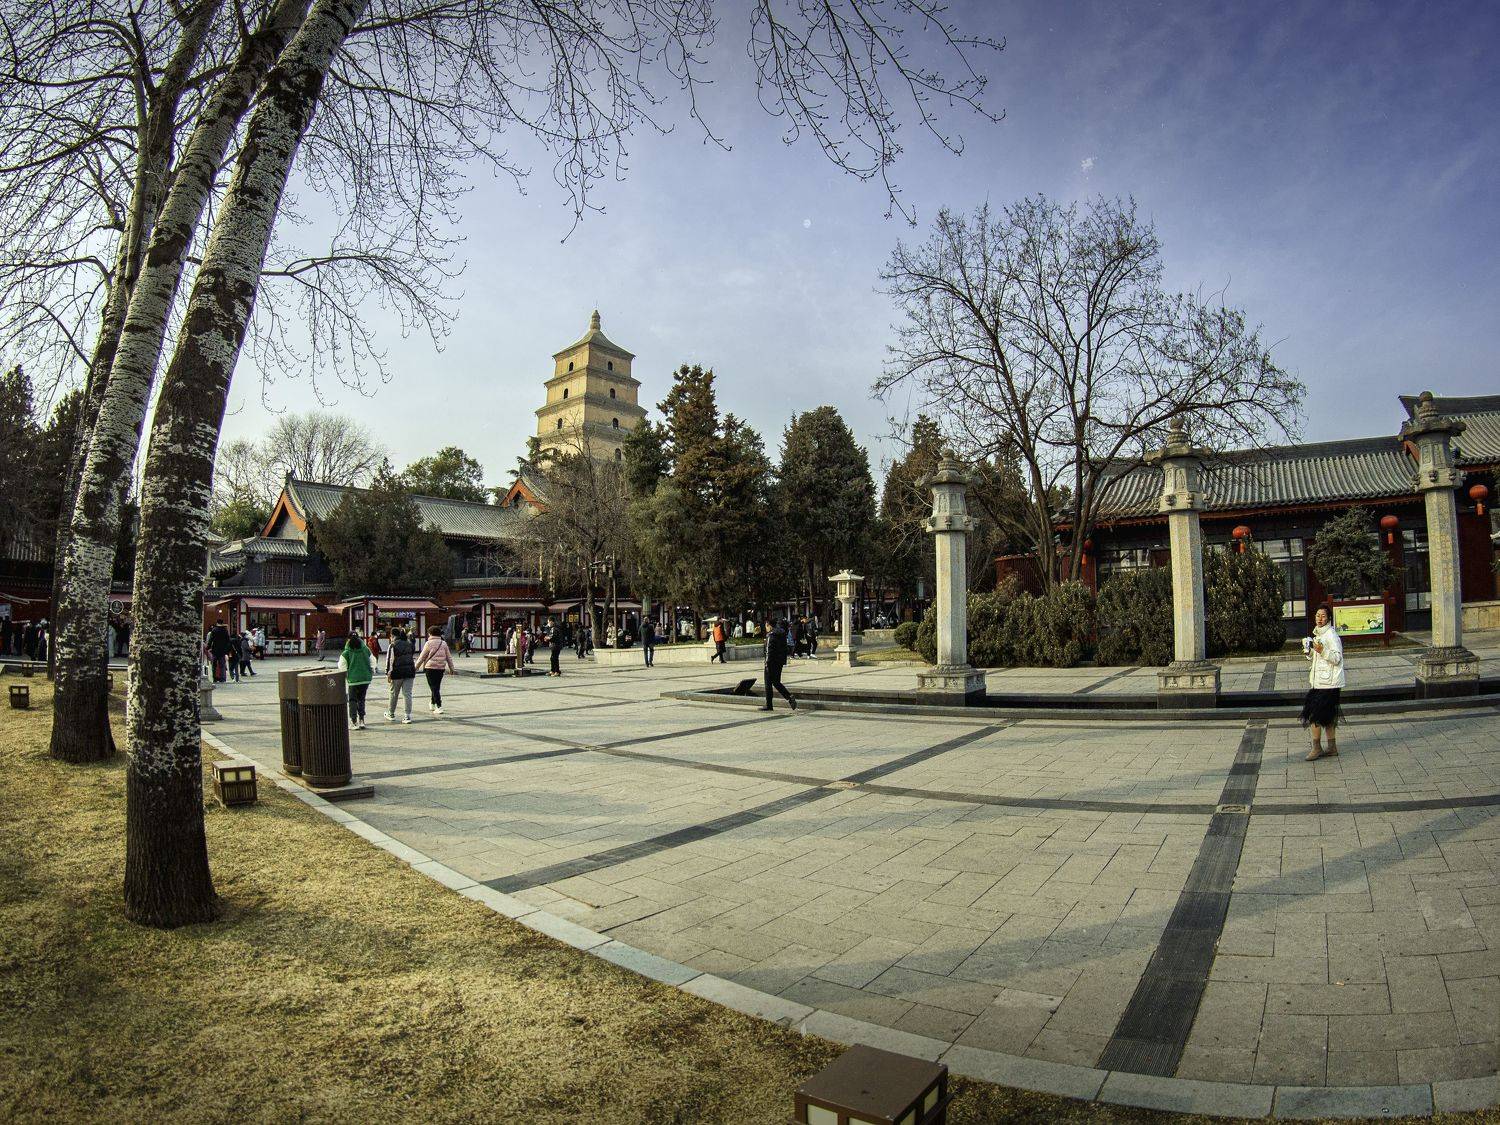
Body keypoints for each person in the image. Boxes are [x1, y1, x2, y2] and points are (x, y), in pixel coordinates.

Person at [1301, 604, 1345, 761]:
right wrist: (1309, 652)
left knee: (1314, 715)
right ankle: (1332, 747)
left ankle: (1317, 747)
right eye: (1317, 615)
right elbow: (1317, 657)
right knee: (1328, 716)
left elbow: (1337, 658)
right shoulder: (1318, 634)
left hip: (1329, 683)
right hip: (1319, 682)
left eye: (1323, 616)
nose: (1320, 619)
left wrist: (1322, 651)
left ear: (1329, 619)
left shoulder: (1331, 636)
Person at [415, 625, 457, 714]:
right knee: (436, 686)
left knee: (434, 687)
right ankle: (432, 703)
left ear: (430, 634)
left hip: (430, 668)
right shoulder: (443, 643)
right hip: (441, 668)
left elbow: (422, 657)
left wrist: (416, 667)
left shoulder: (428, 643)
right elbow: (449, 657)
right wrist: (451, 668)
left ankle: (439, 706)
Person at [338, 633, 374, 729]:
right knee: (361, 699)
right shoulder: (366, 649)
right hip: (365, 679)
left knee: (353, 700)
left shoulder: (346, 653)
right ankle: (361, 720)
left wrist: (346, 674)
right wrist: (371, 671)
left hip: (353, 680)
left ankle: (354, 722)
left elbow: (342, 666)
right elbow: (373, 661)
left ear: (348, 640)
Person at [761, 618, 796, 711]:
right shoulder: (782, 633)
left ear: (769, 625)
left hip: (771, 662)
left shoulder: (770, 635)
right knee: (776, 682)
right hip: (779, 662)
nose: (765, 627)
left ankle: (769, 705)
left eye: (766, 625)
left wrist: (767, 663)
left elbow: (769, 650)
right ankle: (789, 697)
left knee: (768, 684)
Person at [384, 627, 417, 723]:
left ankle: (391, 713)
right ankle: (407, 716)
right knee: (407, 694)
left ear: (392, 636)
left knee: (394, 694)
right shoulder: (409, 644)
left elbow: (389, 660)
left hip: (397, 673)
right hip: (409, 672)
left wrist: (388, 673)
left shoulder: (393, 645)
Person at [207, 616, 235, 683]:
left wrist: (208, 647)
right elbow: (228, 641)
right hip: (222, 651)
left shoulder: (214, 630)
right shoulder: (225, 630)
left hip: (215, 650)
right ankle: (223, 678)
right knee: (222, 665)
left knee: (214, 665)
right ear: (222, 623)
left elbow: (211, 640)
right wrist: (227, 650)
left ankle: (215, 678)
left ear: (217, 623)